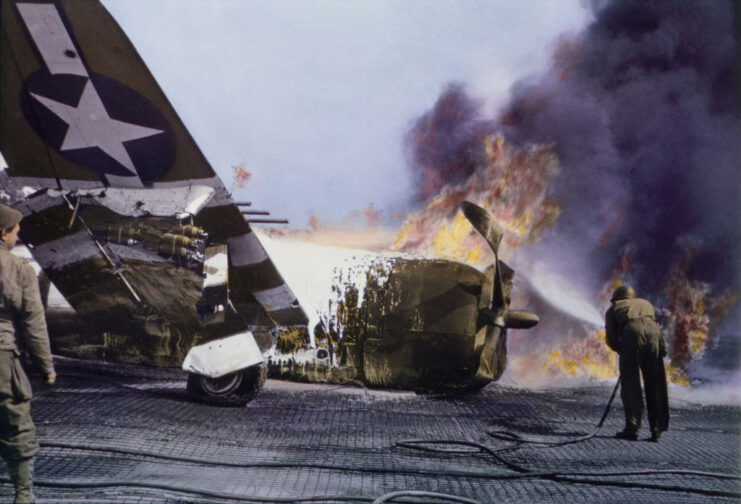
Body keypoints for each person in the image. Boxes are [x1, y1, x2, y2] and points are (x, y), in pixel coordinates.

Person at [0, 203, 56, 503]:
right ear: (3, 232)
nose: (16, 237)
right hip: (2, 357)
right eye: (15, 232)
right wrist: (46, 366)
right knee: (15, 422)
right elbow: (33, 322)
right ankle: (22, 495)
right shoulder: (19, 269)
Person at [605, 285, 669, 442]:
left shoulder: (613, 308)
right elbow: (654, 326)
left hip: (632, 333)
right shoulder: (646, 303)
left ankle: (632, 428)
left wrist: (623, 352)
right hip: (654, 335)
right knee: (655, 382)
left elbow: (612, 339)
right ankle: (657, 428)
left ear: (617, 298)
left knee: (631, 383)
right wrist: (662, 348)